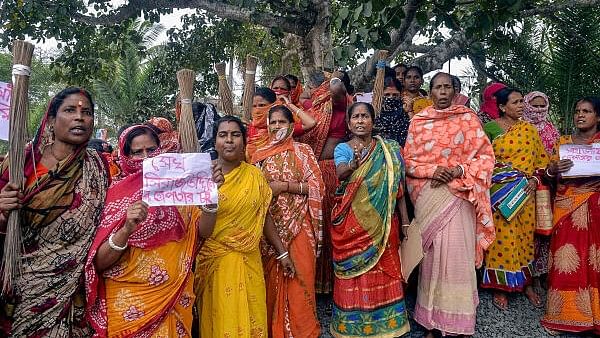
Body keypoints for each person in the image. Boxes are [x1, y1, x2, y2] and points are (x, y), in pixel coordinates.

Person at [85, 124, 223, 336]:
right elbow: (99, 262)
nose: (145, 158)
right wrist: (127, 229)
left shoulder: (178, 187)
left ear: (161, 151)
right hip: (129, 304)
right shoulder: (112, 194)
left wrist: (211, 197)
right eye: (137, 152)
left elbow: (203, 232)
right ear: (124, 155)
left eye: (151, 150)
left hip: (172, 298)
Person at [0, 87, 109, 336]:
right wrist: (3, 212)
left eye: (87, 112)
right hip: (24, 284)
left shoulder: (101, 167)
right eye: (70, 110)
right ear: (51, 120)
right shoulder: (21, 162)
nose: (80, 117)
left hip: (72, 288)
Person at [404, 73, 495, 337]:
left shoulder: (468, 120)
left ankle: (458, 320)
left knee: (458, 256)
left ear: (456, 91)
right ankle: (431, 320)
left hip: (460, 195)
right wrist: (434, 171)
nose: (442, 91)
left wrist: (457, 170)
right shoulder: (419, 122)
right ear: (430, 92)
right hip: (429, 195)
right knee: (431, 258)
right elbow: (408, 162)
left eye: (447, 87)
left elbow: (486, 159)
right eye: (437, 87)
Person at [195, 116, 295, 337]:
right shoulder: (203, 178)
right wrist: (211, 192)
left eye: (235, 135)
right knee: (221, 321)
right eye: (223, 135)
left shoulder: (255, 176)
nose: (229, 140)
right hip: (216, 264)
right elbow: (201, 230)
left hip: (249, 260)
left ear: (244, 140)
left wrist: (282, 253)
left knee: (252, 319)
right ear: (215, 142)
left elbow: (263, 216)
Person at [330, 102, 410, 337]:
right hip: (352, 223)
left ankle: (389, 325)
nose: (360, 120)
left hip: (384, 222)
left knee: (385, 269)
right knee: (355, 272)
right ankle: (351, 326)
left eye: (365, 116)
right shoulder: (343, 149)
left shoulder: (389, 150)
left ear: (373, 122)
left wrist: (405, 221)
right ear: (348, 123)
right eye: (355, 117)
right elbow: (341, 171)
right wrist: (353, 165)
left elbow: (399, 190)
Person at [252, 105, 324, 337]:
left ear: (292, 125)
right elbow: (252, 191)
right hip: (269, 229)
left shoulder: (303, 151)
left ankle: (303, 331)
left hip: (300, 224)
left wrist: (284, 187)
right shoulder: (258, 155)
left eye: (281, 122)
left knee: (301, 276)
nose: (276, 127)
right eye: (273, 122)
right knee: (270, 280)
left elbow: (317, 187)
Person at [481, 87, 549, 310]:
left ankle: (526, 283)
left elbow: (541, 162)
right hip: (499, 193)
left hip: (525, 193)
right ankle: (501, 287)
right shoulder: (489, 128)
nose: (521, 106)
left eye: (522, 101)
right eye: (516, 102)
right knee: (502, 238)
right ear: (502, 107)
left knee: (524, 238)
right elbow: (482, 160)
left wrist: (534, 180)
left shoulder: (529, 130)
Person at [541, 97, 600, 336]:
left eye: (586, 111)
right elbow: (547, 174)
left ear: (598, 117)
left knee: (594, 261)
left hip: (595, 207)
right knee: (566, 261)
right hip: (566, 208)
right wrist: (552, 170)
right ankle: (562, 317)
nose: (580, 115)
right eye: (577, 111)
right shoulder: (563, 143)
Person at [298, 70, 352, 294]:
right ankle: (311, 281)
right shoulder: (315, 107)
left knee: (329, 226)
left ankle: (331, 283)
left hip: (330, 170)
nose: (330, 81)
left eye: (337, 78)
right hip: (310, 170)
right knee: (311, 226)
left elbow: (337, 88)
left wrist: (335, 77)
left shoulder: (341, 104)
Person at [247, 87, 315, 160]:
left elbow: (310, 123)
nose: (257, 110)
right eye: (254, 106)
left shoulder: (282, 128)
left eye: (262, 105)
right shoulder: (252, 127)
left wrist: (289, 104)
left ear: (273, 105)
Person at [375, 76, 411, 146]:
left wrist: (409, 111)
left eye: (395, 95)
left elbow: (415, 130)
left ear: (401, 95)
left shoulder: (406, 109)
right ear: (380, 95)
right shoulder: (375, 112)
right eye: (387, 95)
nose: (391, 98)